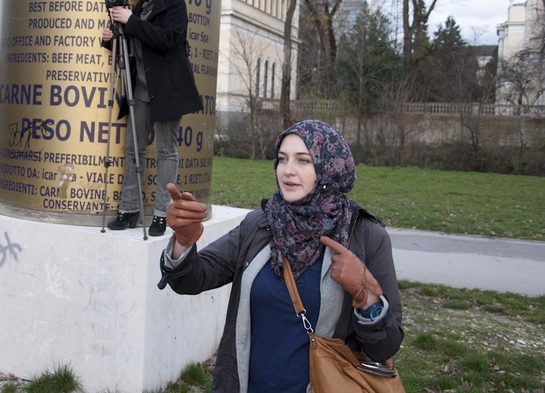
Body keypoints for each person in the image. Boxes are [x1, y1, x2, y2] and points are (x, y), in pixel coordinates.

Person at [158, 119, 404, 392]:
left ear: (329, 167)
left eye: (303, 161)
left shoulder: (364, 237)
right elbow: (191, 280)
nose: (288, 171)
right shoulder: (260, 224)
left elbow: (385, 347)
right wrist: (182, 242)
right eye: (282, 159)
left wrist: (366, 296)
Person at [102, 0, 202, 237]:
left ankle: (162, 212)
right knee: (133, 150)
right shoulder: (137, 10)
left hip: (168, 90)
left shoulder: (174, 5)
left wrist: (131, 21)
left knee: (166, 151)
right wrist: (111, 38)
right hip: (140, 91)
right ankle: (130, 209)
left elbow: (167, 40)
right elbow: (133, 48)